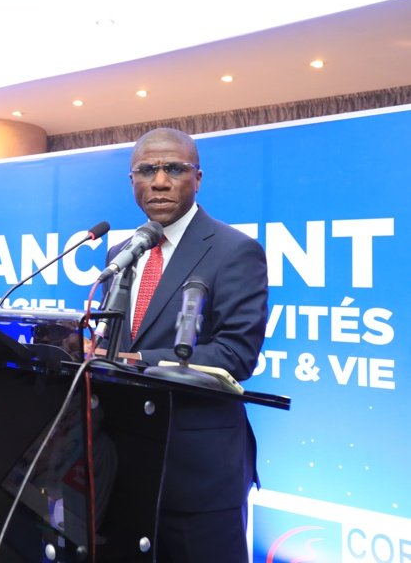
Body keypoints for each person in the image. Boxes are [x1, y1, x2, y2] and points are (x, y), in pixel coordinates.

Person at [103, 128, 268, 563]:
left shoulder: (234, 250)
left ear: (198, 178)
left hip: (197, 471)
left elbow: (236, 355)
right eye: (146, 170)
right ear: (132, 180)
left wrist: (135, 360)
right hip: (122, 463)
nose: (159, 181)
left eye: (174, 169)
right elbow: (116, 342)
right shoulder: (121, 253)